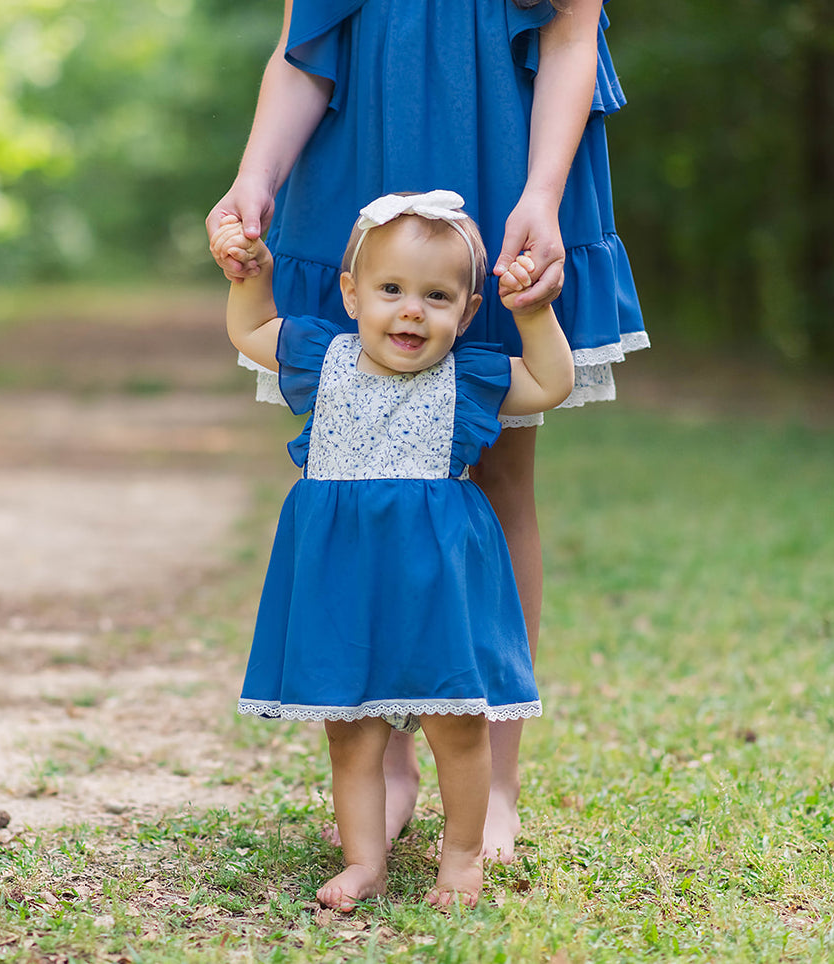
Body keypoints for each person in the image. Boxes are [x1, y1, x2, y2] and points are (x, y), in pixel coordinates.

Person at [205, 0, 646, 863]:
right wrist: (254, 175)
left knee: (500, 473)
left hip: (510, 153)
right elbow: (302, 47)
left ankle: (494, 779)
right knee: (373, 475)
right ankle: (386, 768)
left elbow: (570, 35)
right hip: (363, 148)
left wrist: (541, 195)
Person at [213, 190, 575, 910]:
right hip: (342, 581)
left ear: (467, 312)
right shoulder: (323, 358)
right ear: (351, 294)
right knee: (348, 729)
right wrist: (251, 274)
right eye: (391, 290)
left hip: (435, 584)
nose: (412, 311)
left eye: (437, 296)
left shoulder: (469, 377)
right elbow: (249, 329)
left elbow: (550, 383)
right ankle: (364, 862)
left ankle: (461, 859)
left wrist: (533, 314)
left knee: (457, 724)